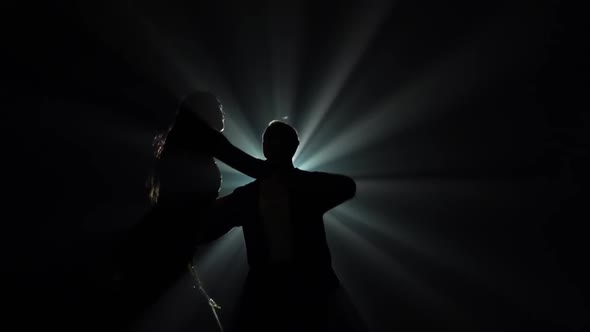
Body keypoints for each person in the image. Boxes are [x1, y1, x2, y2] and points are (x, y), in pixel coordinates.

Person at [108, 91, 269, 330]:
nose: (222, 111)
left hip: (173, 232)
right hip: (175, 234)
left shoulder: (183, 140)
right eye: (217, 106)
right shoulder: (204, 136)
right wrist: (286, 168)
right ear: (203, 112)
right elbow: (249, 166)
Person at [197, 120, 364, 331]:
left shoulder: (291, 189)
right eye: (271, 140)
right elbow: (207, 230)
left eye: (277, 140)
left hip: (298, 290)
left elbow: (347, 186)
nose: (274, 145)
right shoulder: (253, 195)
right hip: (281, 291)